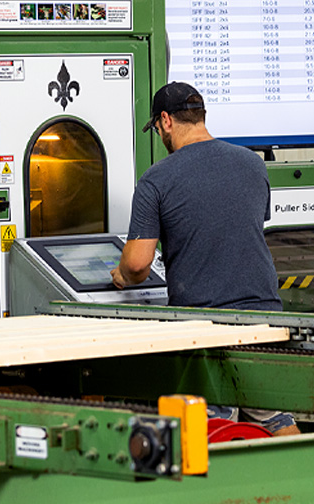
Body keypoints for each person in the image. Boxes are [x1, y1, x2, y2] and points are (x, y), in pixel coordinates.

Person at [110, 81, 297, 435]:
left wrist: (120, 276)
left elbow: (136, 265)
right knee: (274, 418)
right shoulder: (251, 165)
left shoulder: (157, 180)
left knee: (212, 427)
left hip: (206, 325)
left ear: (165, 121)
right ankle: (311, 485)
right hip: (265, 318)